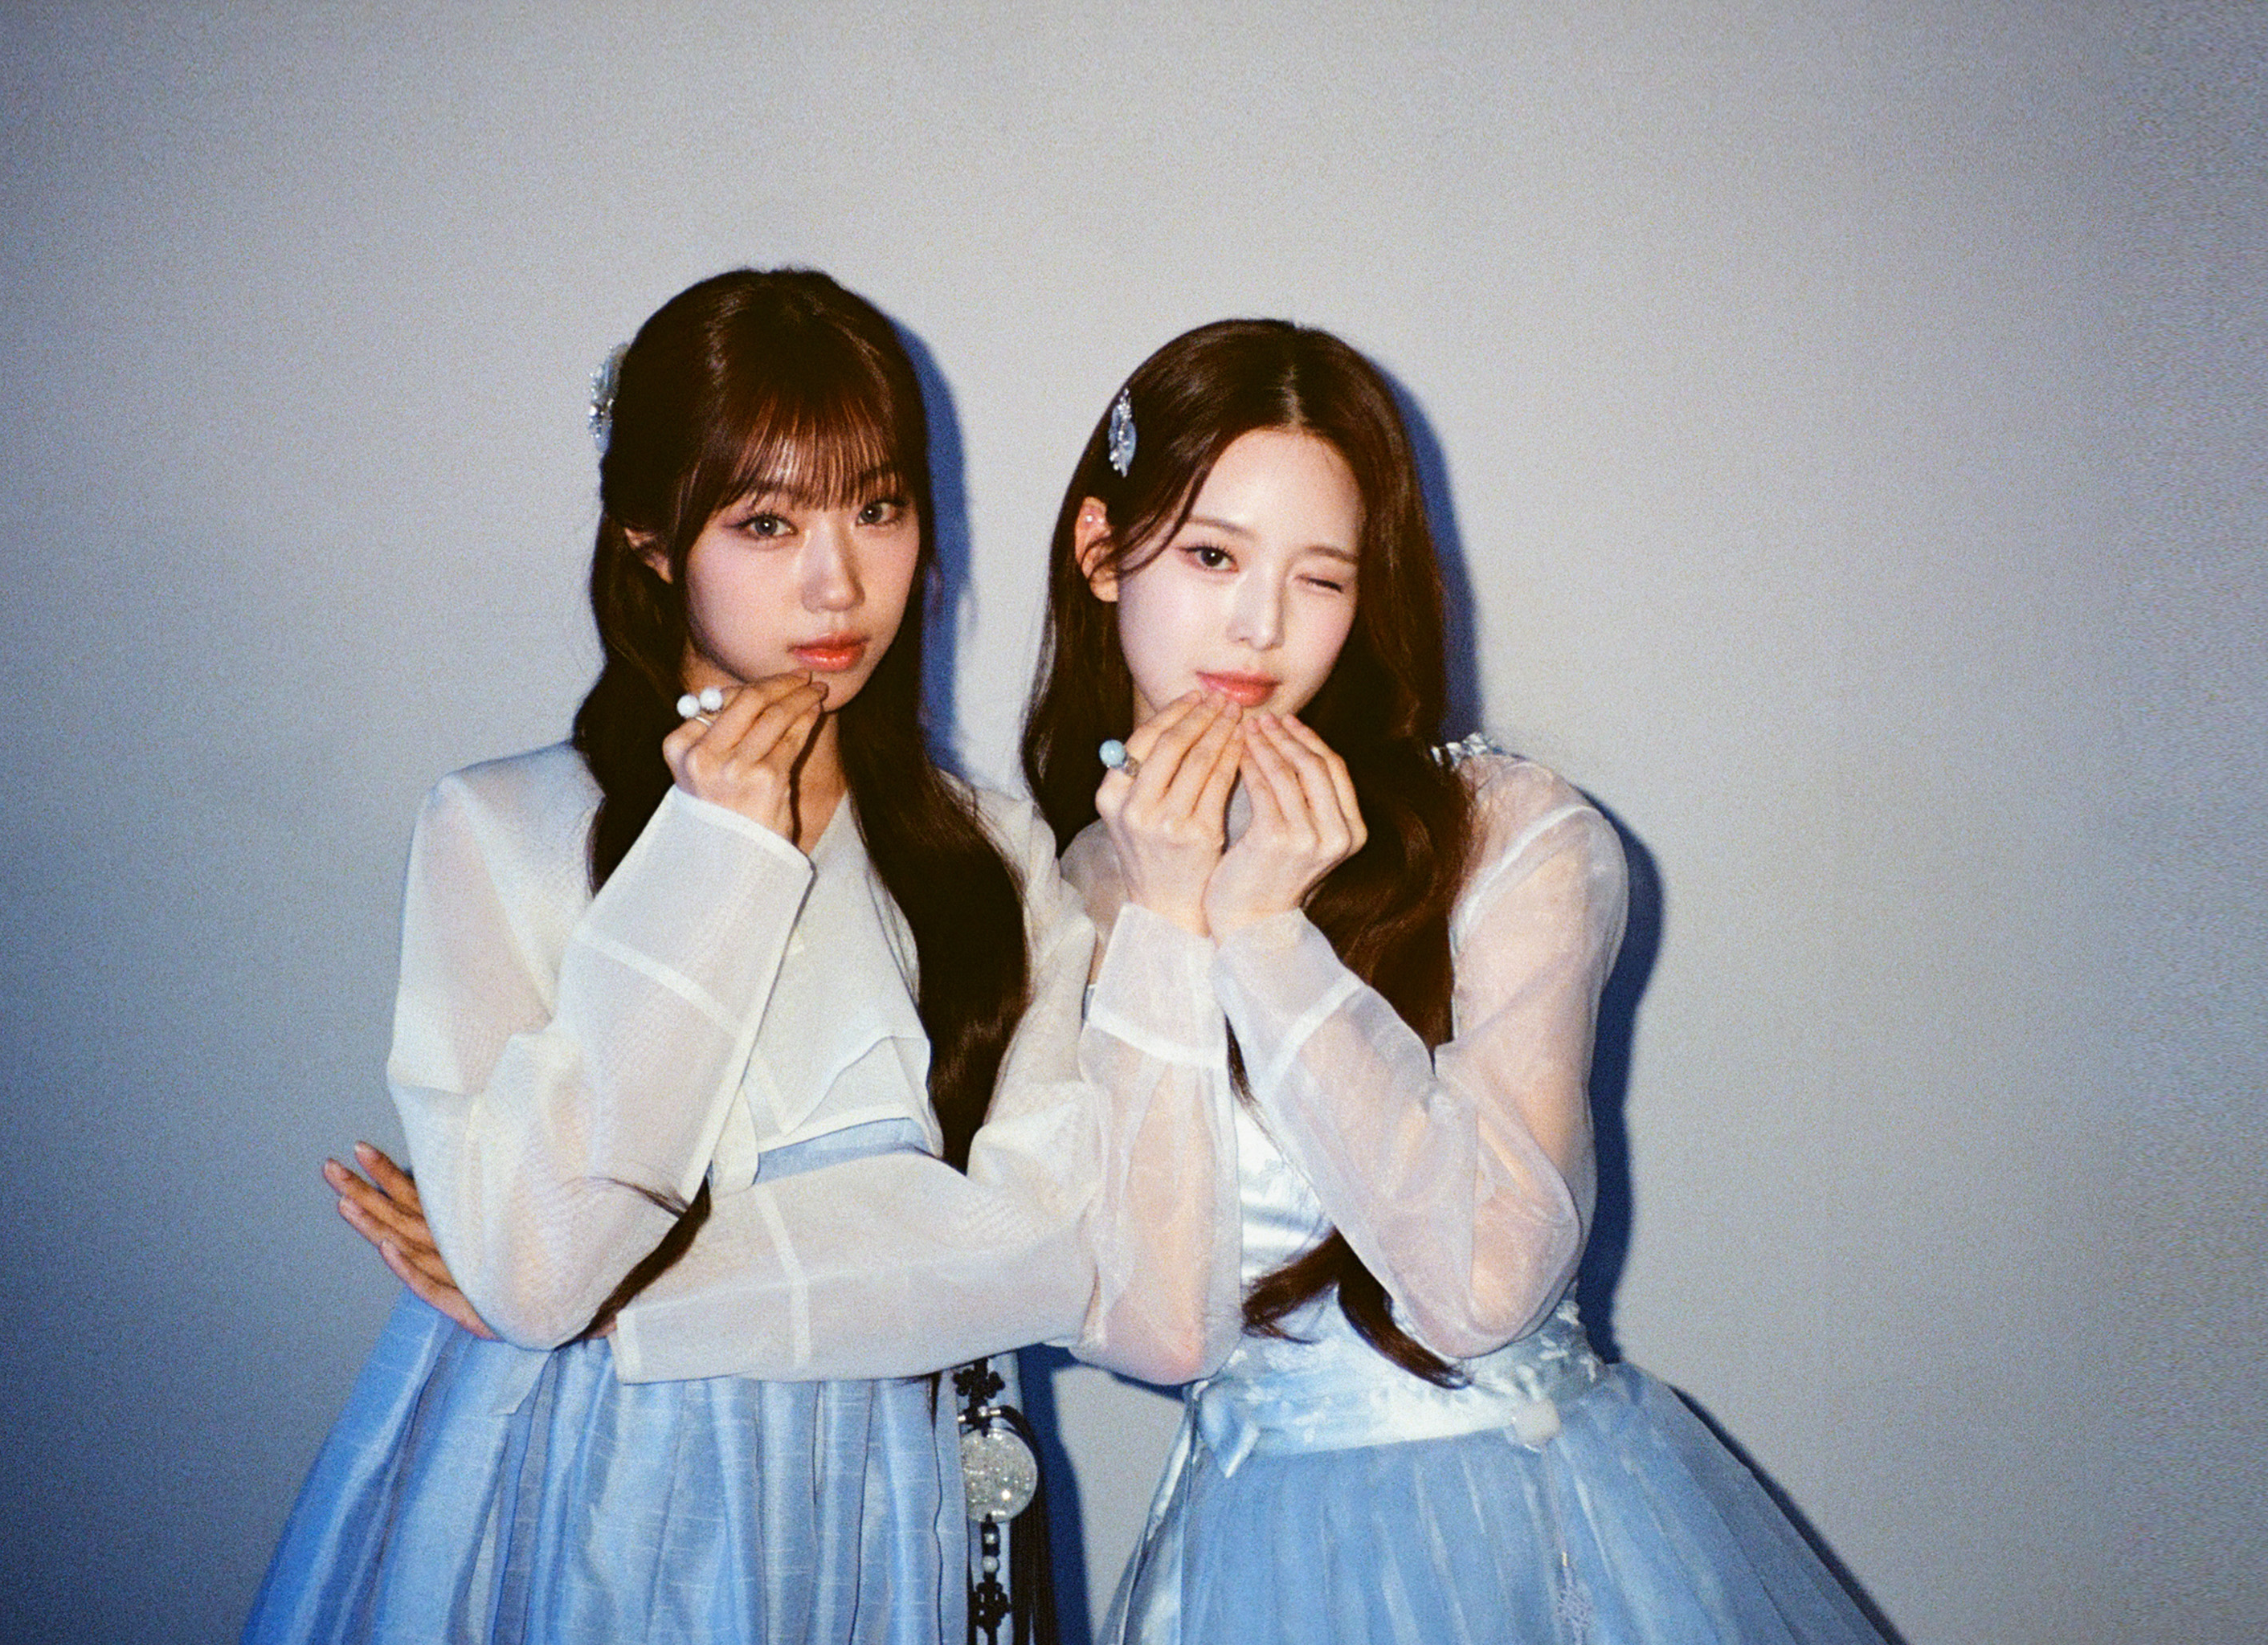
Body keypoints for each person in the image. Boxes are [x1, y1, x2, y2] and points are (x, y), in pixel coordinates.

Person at [247, 269, 1220, 1645]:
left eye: (876, 508)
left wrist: (642, 1297)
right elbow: (539, 1267)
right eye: (766, 522)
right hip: (586, 1502)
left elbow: (1053, 1250)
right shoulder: (504, 829)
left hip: (892, 1506)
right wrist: (717, 859)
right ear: (650, 541)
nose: (838, 582)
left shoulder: (993, 857)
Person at [1022, 318, 1888, 1643]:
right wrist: (1165, 921)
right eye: (1210, 556)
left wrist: (1262, 931)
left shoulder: (1511, 833)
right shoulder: (1049, 892)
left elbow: (1484, 1291)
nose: (1260, 626)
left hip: (1525, 1532)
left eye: (1321, 578)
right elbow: (1155, 1333)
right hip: (1248, 1550)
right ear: (1100, 550)